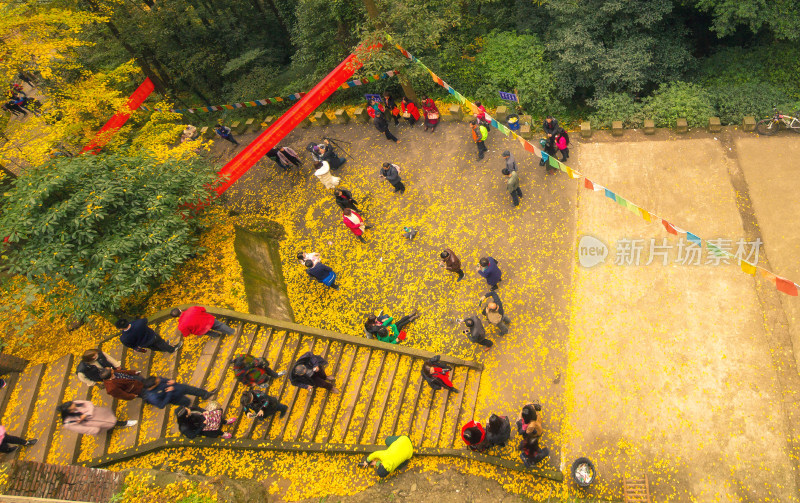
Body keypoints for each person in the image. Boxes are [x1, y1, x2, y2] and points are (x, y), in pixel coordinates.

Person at [57, 400, 137, 436]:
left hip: (96, 413)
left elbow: (88, 403)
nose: (75, 406)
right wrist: (95, 430)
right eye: (73, 408)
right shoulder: (68, 423)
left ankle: (111, 426)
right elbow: (81, 429)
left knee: (109, 420)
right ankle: (124, 423)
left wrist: (87, 413)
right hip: (95, 422)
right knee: (110, 422)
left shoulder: (75, 403)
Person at [141, 376, 217, 409]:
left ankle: (205, 394)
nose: (159, 380)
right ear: (153, 386)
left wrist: (169, 380)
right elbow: (161, 405)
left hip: (178, 387)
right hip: (175, 398)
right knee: (187, 402)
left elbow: (161, 379)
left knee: (192, 389)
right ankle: (192, 410)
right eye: (157, 382)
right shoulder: (153, 397)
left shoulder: (155, 380)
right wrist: (169, 393)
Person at [116, 318, 182, 354]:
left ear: (120, 328)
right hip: (152, 337)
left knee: (154, 347)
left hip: (144, 344)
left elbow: (130, 345)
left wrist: (136, 348)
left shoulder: (124, 338)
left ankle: (164, 348)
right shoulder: (138, 323)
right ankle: (172, 349)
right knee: (160, 343)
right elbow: (145, 320)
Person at [171, 306, 235, 338]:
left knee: (209, 333)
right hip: (208, 321)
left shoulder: (181, 326)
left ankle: (217, 335)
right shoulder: (192, 309)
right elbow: (203, 309)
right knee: (219, 325)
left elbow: (186, 334)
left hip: (201, 330)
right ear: (180, 310)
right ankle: (232, 332)